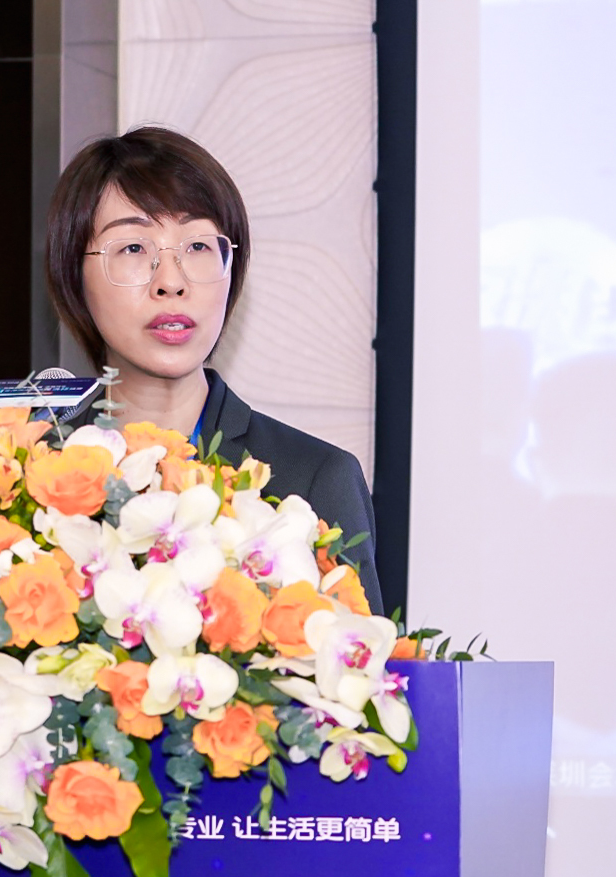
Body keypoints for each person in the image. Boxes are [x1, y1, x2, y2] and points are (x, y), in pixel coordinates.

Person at [44, 125, 384, 613]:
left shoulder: (314, 479)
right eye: (134, 248)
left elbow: (359, 659)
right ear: (73, 277)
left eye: (198, 247)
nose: (171, 282)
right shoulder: (31, 472)